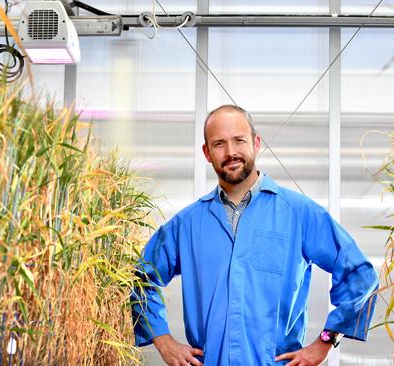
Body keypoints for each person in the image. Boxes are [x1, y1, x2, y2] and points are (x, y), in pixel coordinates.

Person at [131, 105, 379, 366]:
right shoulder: (186, 225)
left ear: (256, 143)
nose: (230, 152)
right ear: (206, 152)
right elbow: (140, 278)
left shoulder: (299, 213)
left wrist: (326, 340)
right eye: (219, 144)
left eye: (239, 140)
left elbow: (360, 274)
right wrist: (162, 339)